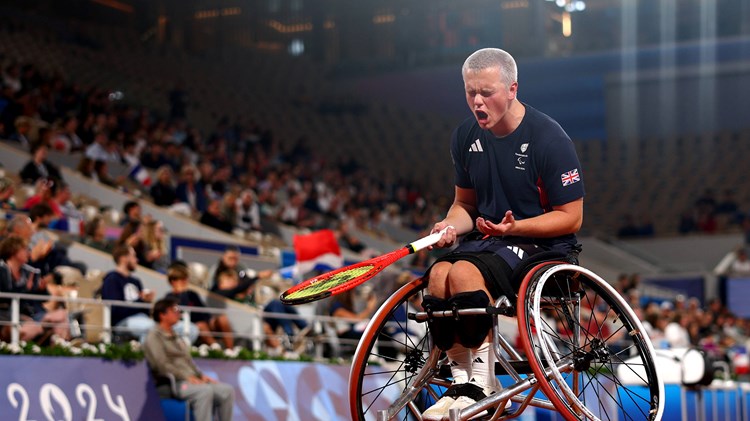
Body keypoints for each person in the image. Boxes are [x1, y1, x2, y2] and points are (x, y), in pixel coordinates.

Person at [420, 48, 585, 420]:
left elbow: (571, 217)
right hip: (493, 241)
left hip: (546, 246)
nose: (477, 101)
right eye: (469, 92)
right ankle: (462, 385)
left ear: (512, 89)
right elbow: (465, 206)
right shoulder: (464, 137)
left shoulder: (548, 137)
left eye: (487, 92)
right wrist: (449, 225)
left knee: (463, 273)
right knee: (438, 275)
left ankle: (485, 384)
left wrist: (516, 227)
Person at [144, 298, 234, 421]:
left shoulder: (177, 337)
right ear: (162, 315)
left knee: (226, 390)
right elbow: (161, 365)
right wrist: (185, 377)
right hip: (175, 383)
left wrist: (201, 376)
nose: (178, 313)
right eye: (174, 310)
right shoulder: (153, 336)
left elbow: (188, 362)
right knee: (204, 391)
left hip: (192, 380)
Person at [164, 265, 233, 348]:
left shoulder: (192, 294)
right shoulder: (169, 297)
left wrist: (210, 321)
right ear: (172, 282)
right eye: (180, 279)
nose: (184, 282)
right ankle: (216, 348)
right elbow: (182, 310)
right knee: (201, 325)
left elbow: (203, 310)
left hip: (204, 323)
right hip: (191, 325)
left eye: (185, 279)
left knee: (222, 319)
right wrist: (182, 294)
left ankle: (230, 350)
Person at [100, 245, 155, 341]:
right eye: (133, 256)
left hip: (141, 319)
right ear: (123, 258)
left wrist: (146, 301)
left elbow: (143, 310)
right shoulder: (112, 279)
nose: (136, 260)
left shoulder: (136, 281)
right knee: (151, 329)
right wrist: (141, 301)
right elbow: (116, 310)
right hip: (122, 322)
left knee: (160, 329)